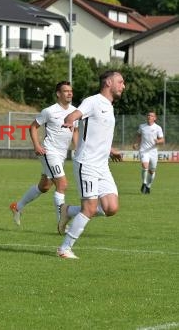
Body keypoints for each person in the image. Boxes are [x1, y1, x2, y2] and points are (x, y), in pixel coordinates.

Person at [56, 70, 125, 259]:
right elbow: (74, 115)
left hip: (102, 165)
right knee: (90, 208)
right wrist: (69, 120)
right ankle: (65, 248)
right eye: (120, 82)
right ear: (109, 82)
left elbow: (98, 134)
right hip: (86, 163)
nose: (123, 86)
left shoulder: (109, 107)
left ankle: (68, 211)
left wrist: (111, 150)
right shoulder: (93, 101)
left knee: (111, 208)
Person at [9, 81, 78, 226]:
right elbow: (33, 127)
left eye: (71, 91)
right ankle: (61, 222)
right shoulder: (49, 111)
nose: (70, 93)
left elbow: (75, 131)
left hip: (61, 154)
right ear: (58, 94)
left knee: (44, 186)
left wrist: (78, 148)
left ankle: (17, 207)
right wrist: (37, 145)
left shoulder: (75, 111)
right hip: (49, 151)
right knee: (62, 184)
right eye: (66, 91)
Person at [133, 111, 164, 194]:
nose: (149, 117)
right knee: (144, 166)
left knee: (152, 171)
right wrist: (136, 143)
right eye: (148, 115)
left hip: (153, 151)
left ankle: (148, 186)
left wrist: (158, 141)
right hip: (144, 150)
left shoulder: (158, 128)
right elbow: (139, 136)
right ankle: (144, 183)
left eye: (151, 116)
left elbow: (162, 140)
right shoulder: (142, 126)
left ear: (155, 118)